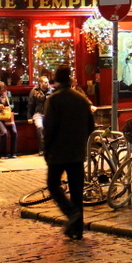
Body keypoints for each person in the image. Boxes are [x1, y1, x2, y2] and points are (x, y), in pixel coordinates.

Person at [43, 64, 94, 240]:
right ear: (70, 79)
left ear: (57, 79)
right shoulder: (81, 99)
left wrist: (46, 148)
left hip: (58, 152)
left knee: (53, 185)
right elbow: (91, 126)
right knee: (76, 191)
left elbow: (49, 128)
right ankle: (77, 229)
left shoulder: (54, 99)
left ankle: (71, 213)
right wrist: (81, 142)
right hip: (76, 152)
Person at [27, 76, 52, 155]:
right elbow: (30, 104)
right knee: (40, 127)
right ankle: (42, 149)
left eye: (47, 82)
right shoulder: (34, 91)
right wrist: (29, 117)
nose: (47, 84)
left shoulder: (52, 90)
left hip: (49, 113)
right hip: (38, 113)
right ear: (40, 83)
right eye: (45, 82)